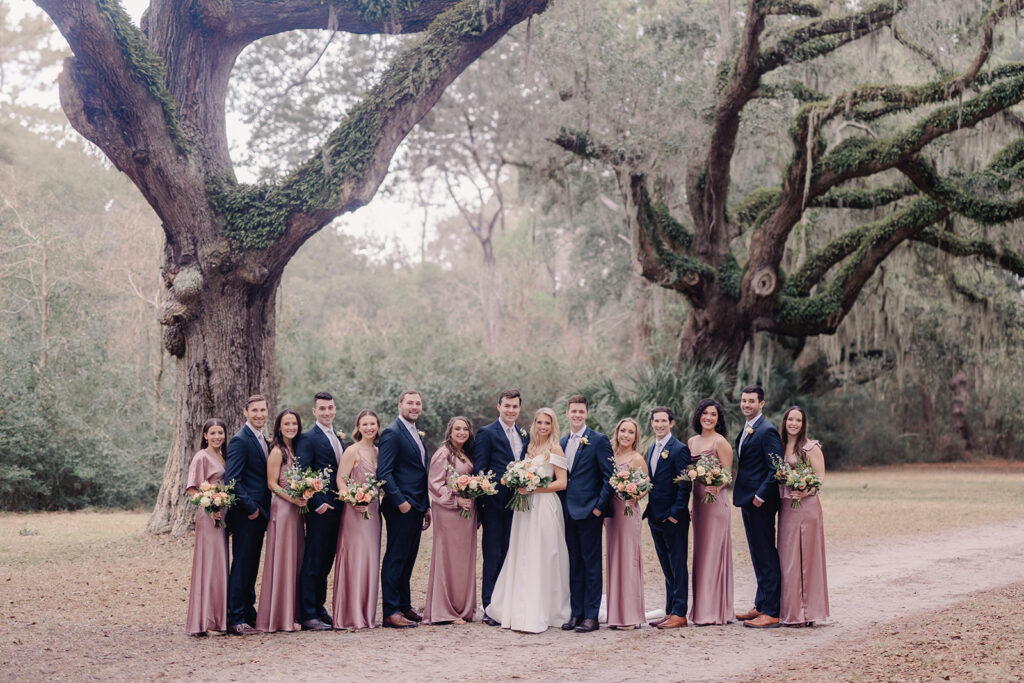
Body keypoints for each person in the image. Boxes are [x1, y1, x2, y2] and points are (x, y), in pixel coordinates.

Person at [485, 408, 571, 633]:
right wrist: (516, 481)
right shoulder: (529, 448)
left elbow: (562, 482)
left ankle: (547, 608)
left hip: (545, 506)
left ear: (553, 426)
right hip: (524, 509)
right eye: (539, 422)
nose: (543, 427)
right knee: (523, 553)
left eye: (547, 423)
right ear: (534, 424)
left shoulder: (555, 448)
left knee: (545, 553)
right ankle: (519, 605)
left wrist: (535, 488)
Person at [558, 395, 614, 633]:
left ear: (586, 413)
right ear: (567, 413)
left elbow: (610, 477)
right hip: (568, 513)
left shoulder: (598, 440)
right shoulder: (562, 442)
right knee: (574, 563)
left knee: (591, 564)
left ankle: (591, 615)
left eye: (581, 411)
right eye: (573, 411)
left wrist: (598, 507)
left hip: (590, 512)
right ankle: (576, 613)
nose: (577, 415)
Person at [474, 389, 529, 623]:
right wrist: (485, 502)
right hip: (494, 504)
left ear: (519, 408)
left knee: (511, 554)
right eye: (507, 406)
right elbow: (480, 470)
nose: (511, 410)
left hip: (518, 505)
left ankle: (507, 603)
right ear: (499, 407)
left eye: (515, 406)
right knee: (493, 555)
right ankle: (489, 607)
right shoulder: (486, 433)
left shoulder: (524, 434)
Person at [377, 390, 431, 628]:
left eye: (418, 403)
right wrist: (401, 501)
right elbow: (384, 472)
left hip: (417, 505)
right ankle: (390, 610)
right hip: (401, 507)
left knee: (409, 558)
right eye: (410, 403)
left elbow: (419, 473)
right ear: (400, 405)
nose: (414, 407)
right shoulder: (392, 432)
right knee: (396, 558)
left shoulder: (415, 432)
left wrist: (426, 505)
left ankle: (404, 604)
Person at [733, 384, 785, 629]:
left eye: (751, 401)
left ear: (761, 404)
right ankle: (761, 604)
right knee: (756, 553)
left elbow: (777, 468)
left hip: (760, 503)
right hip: (747, 500)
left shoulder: (767, 430)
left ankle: (772, 611)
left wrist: (760, 496)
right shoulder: (747, 428)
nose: (746, 404)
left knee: (765, 553)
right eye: (744, 400)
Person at [777, 406, 829, 627]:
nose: (794, 423)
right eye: (790, 419)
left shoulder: (810, 447)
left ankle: (809, 613)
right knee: (788, 559)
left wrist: (804, 490)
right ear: (785, 421)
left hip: (806, 507)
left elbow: (820, 477)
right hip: (787, 508)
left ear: (803, 424)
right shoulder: (778, 446)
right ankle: (792, 612)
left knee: (807, 558)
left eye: (798, 420)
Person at [224, 394, 272, 635]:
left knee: (252, 565)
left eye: (263, 410)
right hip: (246, 515)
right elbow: (232, 480)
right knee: (242, 564)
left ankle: (248, 611)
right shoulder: (240, 440)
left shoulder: (264, 440)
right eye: (255, 410)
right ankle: (236, 618)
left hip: (261, 514)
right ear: (245, 412)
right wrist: (251, 509)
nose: (259, 414)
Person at [295, 391, 343, 631]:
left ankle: (319, 607)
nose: (327, 412)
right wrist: (318, 503)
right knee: (314, 561)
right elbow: (302, 474)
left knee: (326, 561)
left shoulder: (338, 438)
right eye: (322, 408)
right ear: (314, 411)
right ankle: (308, 614)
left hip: (338, 509)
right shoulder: (308, 438)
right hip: (320, 510)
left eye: (330, 407)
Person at [332, 409, 383, 629]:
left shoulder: (379, 451)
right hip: (354, 512)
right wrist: (352, 500)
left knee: (370, 559)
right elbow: (340, 481)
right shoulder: (352, 451)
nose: (369, 428)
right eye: (365, 424)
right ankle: (350, 614)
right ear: (358, 427)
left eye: (373, 424)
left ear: (377, 426)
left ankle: (366, 613)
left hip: (373, 512)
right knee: (355, 559)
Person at [424, 416, 478, 625]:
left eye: (465, 429)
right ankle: (445, 610)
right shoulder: (443, 453)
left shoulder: (466, 453)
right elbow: (435, 485)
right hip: (449, 512)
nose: (462, 432)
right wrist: (456, 500)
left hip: (466, 514)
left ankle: (462, 607)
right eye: (457, 429)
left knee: (463, 561)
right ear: (450, 431)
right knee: (448, 558)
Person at [256, 409, 306, 632]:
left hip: (297, 511)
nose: (291, 427)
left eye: (294, 423)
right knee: (283, 560)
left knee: (296, 560)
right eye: (286, 423)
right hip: (283, 510)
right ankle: (279, 616)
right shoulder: (277, 451)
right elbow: (272, 484)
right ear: (279, 427)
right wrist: (293, 498)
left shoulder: (297, 449)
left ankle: (293, 612)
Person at [687, 398, 735, 626]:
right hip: (698, 504)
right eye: (705, 413)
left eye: (713, 414)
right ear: (699, 416)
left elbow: (727, 473)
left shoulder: (720, 442)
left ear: (718, 419)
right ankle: (701, 609)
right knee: (701, 553)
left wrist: (718, 484)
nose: (708, 417)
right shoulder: (691, 441)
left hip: (715, 503)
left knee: (714, 553)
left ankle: (714, 611)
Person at [644, 406, 692, 630]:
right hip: (655, 517)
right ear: (652, 423)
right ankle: (670, 610)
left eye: (664, 421)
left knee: (678, 565)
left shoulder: (679, 449)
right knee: (666, 566)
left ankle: (680, 613)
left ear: (671, 423)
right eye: (656, 421)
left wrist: (674, 514)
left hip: (674, 519)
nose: (659, 425)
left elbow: (685, 484)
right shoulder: (650, 449)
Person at [185, 418, 229, 636]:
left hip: (223, 513)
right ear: (205, 435)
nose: (217, 436)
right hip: (209, 515)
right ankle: (204, 620)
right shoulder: (201, 457)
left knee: (220, 565)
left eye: (220, 432)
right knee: (209, 564)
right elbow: (192, 489)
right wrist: (209, 506)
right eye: (213, 433)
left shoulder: (224, 456)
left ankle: (219, 619)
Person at [604, 417, 647, 630]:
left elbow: (646, 484)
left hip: (628, 512)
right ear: (617, 432)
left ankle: (630, 617)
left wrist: (634, 496)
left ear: (635, 437)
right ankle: (616, 615)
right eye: (623, 431)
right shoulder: (610, 455)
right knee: (614, 560)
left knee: (628, 560)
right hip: (611, 514)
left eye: (631, 432)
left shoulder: (636, 458)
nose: (626, 435)